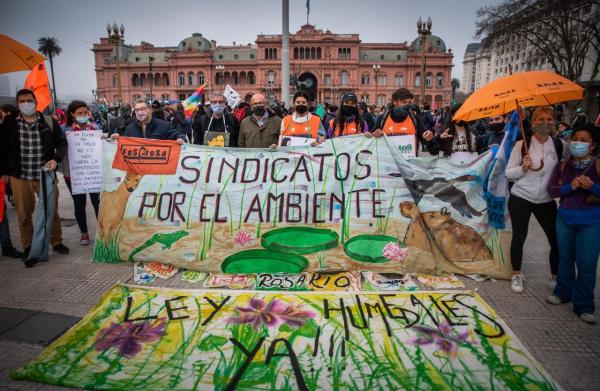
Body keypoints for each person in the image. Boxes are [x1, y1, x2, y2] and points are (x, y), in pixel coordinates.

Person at [0, 89, 69, 260]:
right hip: (20, 176)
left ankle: (56, 241)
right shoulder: (9, 123)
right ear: (17, 104)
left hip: (44, 174)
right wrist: (4, 172)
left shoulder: (47, 122)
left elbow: (62, 144)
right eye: (22, 101)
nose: (26, 104)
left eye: (29, 100)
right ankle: (28, 245)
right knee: (24, 214)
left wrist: (56, 159)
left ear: (35, 102)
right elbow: (1, 149)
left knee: (51, 209)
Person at [506, 106, 564, 293]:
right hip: (521, 197)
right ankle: (516, 274)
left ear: (554, 122)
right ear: (533, 123)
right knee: (519, 238)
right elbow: (508, 173)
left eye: (549, 119)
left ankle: (555, 276)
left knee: (556, 239)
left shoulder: (560, 145)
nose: (545, 123)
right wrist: (523, 167)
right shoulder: (521, 144)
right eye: (540, 119)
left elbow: (570, 166)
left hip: (546, 200)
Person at [546, 124, 600, 323]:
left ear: (593, 146)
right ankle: (562, 292)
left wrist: (592, 186)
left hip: (592, 221)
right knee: (565, 258)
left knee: (586, 263)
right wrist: (571, 187)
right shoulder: (562, 165)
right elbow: (552, 191)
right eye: (575, 139)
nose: (578, 143)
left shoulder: (597, 165)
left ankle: (584, 305)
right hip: (565, 218)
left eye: (584, 141)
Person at [61, 100, 101, 246]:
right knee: (79, 204)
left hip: (93, 173)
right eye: (80, 113)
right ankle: (84, 233)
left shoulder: (95, 128)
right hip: (73, 175)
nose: (83, 115)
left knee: (98, 204)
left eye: (85, 112)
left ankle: (102, 232)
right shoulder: (64, 130)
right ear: (72, 114)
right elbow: (59, 149)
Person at [371, 88, 429, 154]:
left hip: (409, 162)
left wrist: (427, 136)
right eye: (404, 102)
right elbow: (372, 136)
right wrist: (375, 134)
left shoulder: (414, 117)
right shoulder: (384, 117)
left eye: (409, 102)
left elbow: (424, 135)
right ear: (394, 102)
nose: (407, 105)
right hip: (389, 161)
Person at [112, 100, 186, 142]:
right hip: (138, 167)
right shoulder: (130, 129)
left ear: (150, 110)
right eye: (137, 110)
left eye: (142, 109)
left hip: (157, 167)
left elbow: (178, 135)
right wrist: (116, 139)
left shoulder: (164, 126)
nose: (139, 112)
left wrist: (180, 138)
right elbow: (125, 142)